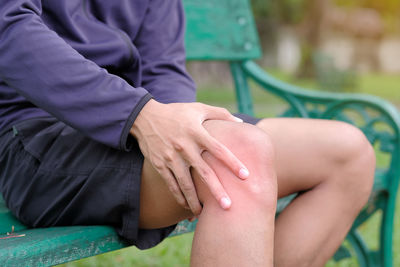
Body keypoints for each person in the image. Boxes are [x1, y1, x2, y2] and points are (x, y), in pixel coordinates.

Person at [0, 0, 375, 266]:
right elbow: (9, 30)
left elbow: (164, 66)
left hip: (138, 118)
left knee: (348, 154)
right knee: (236, 157)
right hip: (35, 133)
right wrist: (139, 116)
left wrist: (175, 126)